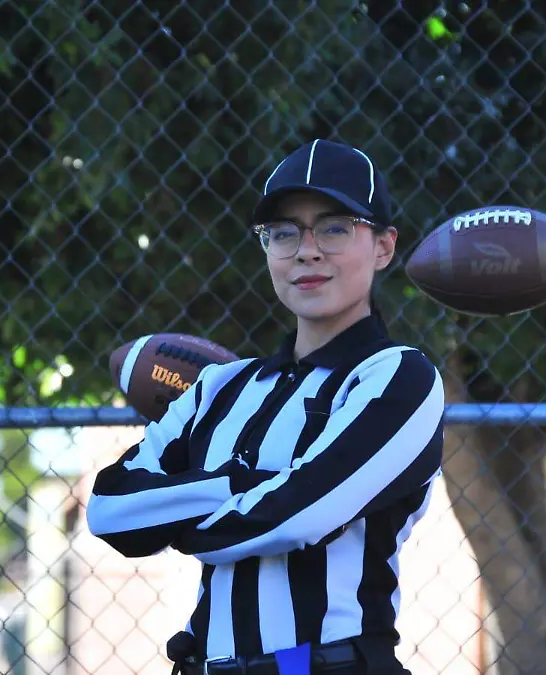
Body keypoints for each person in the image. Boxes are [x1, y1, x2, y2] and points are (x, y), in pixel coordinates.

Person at [86, 139, 446, 675]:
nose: (307, 250)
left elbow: (300, 515)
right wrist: (244, 483)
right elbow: (111, 511)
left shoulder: (399, 376)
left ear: (384, 247)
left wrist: (177, 518)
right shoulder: (220, 386)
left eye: (334, 227)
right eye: (283, 233)